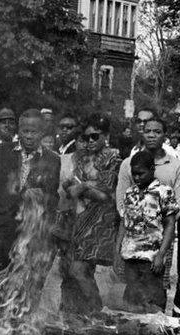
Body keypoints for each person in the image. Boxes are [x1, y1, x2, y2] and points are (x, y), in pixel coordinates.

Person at [116, 118, 180, 307]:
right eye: (147, 131)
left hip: (160, 237)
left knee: (157, 288)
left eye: (157, 132)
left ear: (164, 135)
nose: (151, 135)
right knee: (132, 290)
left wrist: (160, 242)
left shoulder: (176, 166)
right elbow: (122, 203)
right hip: (132, 239)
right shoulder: (128, 164)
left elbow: (178, 206)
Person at [0, 109, 61, 278]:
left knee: (22, 281)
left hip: (30, 231)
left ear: (42, 133)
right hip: (1, 229)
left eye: (34, 132)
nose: (29, 136)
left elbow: (53, 196)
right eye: (25, 131)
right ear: (18, 131)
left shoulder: (52, 160)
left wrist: (41, 196)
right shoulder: (2, 151)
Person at [60, 114, 120, 315]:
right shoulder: (84, 158)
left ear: (106, 136)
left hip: (100, 220)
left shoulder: (113, 156)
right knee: (74, 270)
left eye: (95, 136)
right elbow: (72, 190)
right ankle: (79, 315)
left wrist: (83, 186)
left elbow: (106, 195)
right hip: (80, 218)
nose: (90, 141)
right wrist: (75, 187)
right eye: (86, 138)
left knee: (79, 270)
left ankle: (98, 312)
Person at [115, 151, 178, 312]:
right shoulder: (130, 193)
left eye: (141, 174)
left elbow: (170, 225)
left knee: (153, 300)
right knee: (132, 298)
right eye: (134, 174)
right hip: (130, 255)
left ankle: (154, 333)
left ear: (152, 169)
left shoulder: (164, 192)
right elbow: (124, 222)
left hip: (152, 257)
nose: (137, 178)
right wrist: (117, 251)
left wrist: (161, 255)